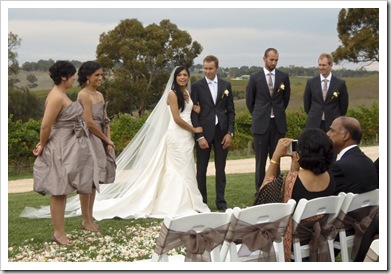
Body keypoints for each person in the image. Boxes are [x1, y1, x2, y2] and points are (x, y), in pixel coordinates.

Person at [20, 61, 98, 245]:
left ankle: (61, 231)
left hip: (68, 145)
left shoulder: (62, 94)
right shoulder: (56, 96)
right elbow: (46, 125)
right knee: (59, 190)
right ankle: (58, 233)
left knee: (63, 189)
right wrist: (42, 144)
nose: (74, 79)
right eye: (72, 76)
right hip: (59, 146)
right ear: (64, 77)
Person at [254, 128, 336, 261]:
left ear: (301, 152)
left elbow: (263, 193)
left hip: (292, 239)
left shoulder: (290, 180)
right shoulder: (330, 177)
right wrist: (295, 167)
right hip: (314, 235)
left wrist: (275, 157)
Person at [190, 55, 235, 211]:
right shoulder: (196, 86)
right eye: (205, 68)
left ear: (217, 68)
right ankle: (202, 203)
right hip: (204, 132)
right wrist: (199, 135)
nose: (207, 71)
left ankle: (221, 202)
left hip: (222, 132)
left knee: (220, 169)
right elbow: (193, 113)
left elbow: (231, 112)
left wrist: (230, 132)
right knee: (201, 170)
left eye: (210, 68)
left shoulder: (226, 85)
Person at [77, 61, 116, 232]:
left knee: (95, 181)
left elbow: (105, 120)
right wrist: (105, 140)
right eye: (97, 75)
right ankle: (85, 220)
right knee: (88, 179)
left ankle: (90, 217)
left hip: (100, 138)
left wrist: (108, 140)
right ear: (87, 77)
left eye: (101, 74)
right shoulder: (83, 95)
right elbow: (89, 122)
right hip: (88, 139)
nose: (100, 78)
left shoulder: (100, 95)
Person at [246, 48, 291, 192]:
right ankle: (260, 191)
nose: (274, 62)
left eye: (276, 60)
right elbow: (249, 101)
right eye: (271, 59)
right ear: (264, 58)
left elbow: (286, 99)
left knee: (276, 159)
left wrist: (277, 112)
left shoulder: (283, 76)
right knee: (260, 161)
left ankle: (275, 191)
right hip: (260, 124)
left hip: (277, 124)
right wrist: (260, 114)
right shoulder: (255, 77)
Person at [326, 116, 378, 194]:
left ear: (346, 135)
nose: (327, 134)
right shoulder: (369, 162)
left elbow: (327, 196)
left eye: (332, 130)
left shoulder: (340, 167)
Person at [303, 53, 349, 132]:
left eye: (324, 65)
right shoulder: (311, 82)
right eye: (319, 65)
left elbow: (343, 105)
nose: (321, 68)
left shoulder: (340, 84)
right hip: (314, 123)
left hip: (332, 124)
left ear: (331, 65)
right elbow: (307, 104)